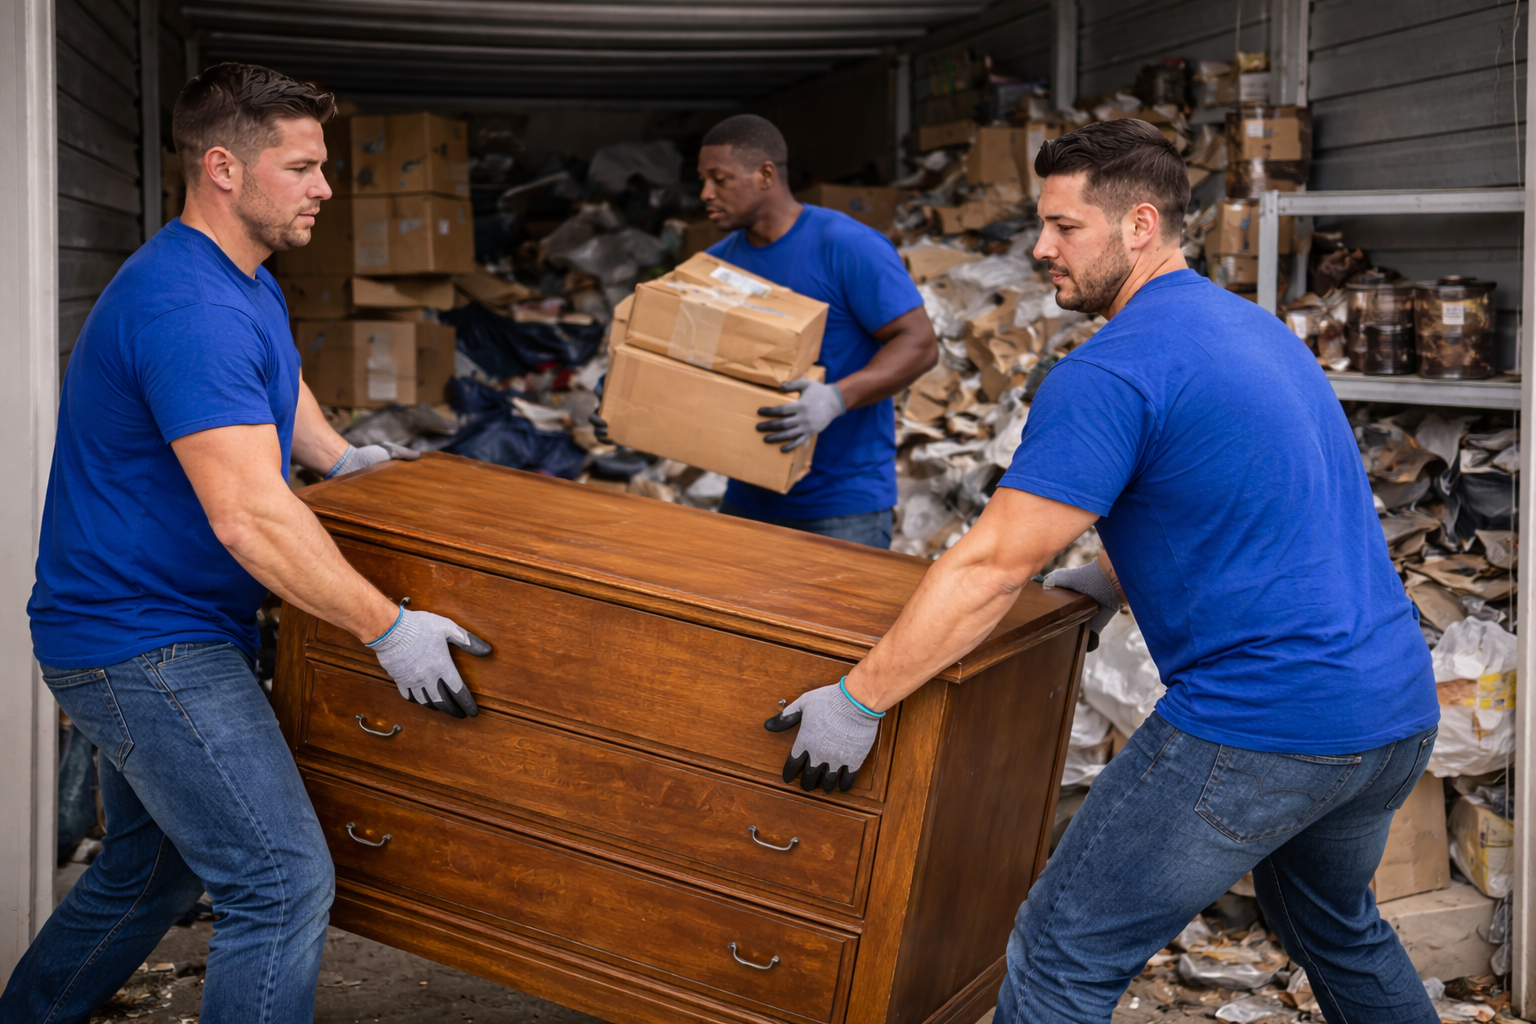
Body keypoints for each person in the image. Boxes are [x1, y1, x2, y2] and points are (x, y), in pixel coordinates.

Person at [766, 119, 1441, 1023]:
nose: (1040, 248)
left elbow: (993, 564)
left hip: (1260, 725)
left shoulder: (1111, 372)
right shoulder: (1256, 332)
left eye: (1064, 227)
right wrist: (1111, 580)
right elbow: (1249, 500)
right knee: (1333, 922)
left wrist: (859, 701)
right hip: (1392, 713)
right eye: (1039, 225)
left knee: (1059, 953)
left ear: (1139, 226)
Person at [4, 64, 490, 1024]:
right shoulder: (194, 310)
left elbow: (275, 396)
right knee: (279, 883)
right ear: (224, 167)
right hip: (144, 644)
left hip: (152, 625)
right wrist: (386, 628)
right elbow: (251, 514)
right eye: (304, 167)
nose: (325, 188)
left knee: (150, 878)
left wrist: (343, 458)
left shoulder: (237, 280)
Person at [698, 115, 938, 549]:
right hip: (747, 499)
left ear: (765, 174)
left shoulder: (847, 247)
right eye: (703, 181)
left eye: (720, 179)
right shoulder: (717, 268)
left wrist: (836, 398)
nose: (705, 194)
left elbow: (919, 344)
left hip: (842, 507)